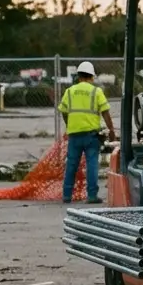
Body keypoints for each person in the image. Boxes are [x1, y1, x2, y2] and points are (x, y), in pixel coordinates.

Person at [58, 61, 117, 204]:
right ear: (92, 76)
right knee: (92, 164)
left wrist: (69, 125)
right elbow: (105, 113)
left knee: (71, 164)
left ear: (78, 76)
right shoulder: (96, 92)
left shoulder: (69, 92)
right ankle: (91, 196)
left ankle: (66, 195)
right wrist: (111, 131)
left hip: (74, 135)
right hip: (91, 136)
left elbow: (64, 112)